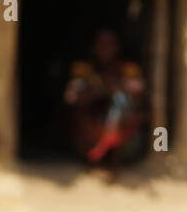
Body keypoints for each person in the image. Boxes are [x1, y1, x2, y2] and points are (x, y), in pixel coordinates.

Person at [62, 28, 146, 165]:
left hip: (123, 140)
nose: (105, 48)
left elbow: (138, 89)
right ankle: (99, 147)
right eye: (101, 44)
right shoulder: (84, 68)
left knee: (121, 100)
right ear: (93, 47)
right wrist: (102, 89)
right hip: (90, 137)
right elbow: (72, 96)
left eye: (109, 44)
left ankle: (110, 148)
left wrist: (113, 87)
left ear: (117, 46)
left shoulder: (128, 68)